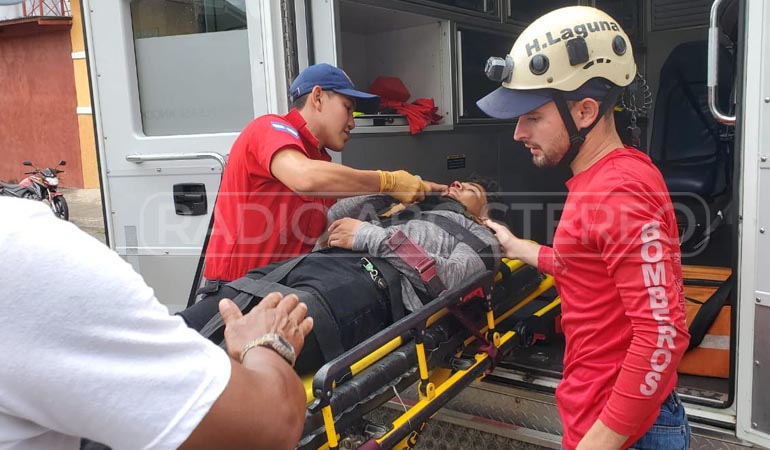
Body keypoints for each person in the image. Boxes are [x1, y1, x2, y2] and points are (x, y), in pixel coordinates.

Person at [476, 6, 691, 450]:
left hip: (626, 432)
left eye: (532, 116)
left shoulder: (617, 193)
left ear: (586, 110)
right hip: (605, 417)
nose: (518, 133)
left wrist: (602, 440)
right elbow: (587, 264)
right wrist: (517, 245)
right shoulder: (604, 177)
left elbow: (661, 336)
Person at [0, 197, 313, 450]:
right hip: (242, 287)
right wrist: (268, 344)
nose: (352, 120)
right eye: (346, 112)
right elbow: (272, 427)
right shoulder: (27, 252)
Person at [181, 176, 502, 373]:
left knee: (235, 359)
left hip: (364, 287)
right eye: (457, 182)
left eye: (470, 188)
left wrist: (369, 236)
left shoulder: (481, 237)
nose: (457, 184)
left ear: (485, 214)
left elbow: (446, 282)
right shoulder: (409, 212)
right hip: (306, 266)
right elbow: (334, 218)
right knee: (183, 329)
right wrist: (392, 192)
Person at [202, 63, 445, 290]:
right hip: (236, 291)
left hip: (280, 290)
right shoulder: (268, 128)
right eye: (348, 109)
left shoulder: (320, 161)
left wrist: (387, 211)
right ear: (318, 97)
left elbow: (318, 237)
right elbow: (304, 178)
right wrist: (389, 182)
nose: (352, 123)